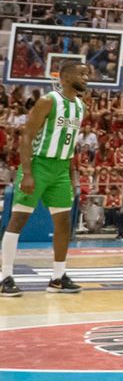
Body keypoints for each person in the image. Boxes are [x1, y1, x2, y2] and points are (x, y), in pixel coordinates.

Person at [0, 61, 92, 297]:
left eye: (87, 74)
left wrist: (72, 176)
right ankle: (5, 277)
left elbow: (70, 144)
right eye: (81, 74)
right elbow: (27, 136)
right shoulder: (48, 101)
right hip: (39, 164)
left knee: (63, 223)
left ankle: (57, 278)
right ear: (65, 77)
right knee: (19, 219)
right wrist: (28, 172)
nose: (86, 77)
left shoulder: (80, 106)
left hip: (61, 169)